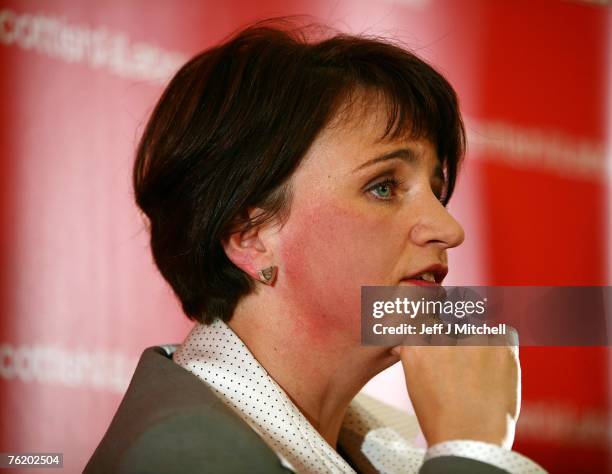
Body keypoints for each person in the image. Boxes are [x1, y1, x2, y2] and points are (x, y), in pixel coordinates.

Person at [85, 20, 545, 473]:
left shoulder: (375, 450)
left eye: (436, 190)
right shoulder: (184, 457)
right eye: (384, 186)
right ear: (250, 236)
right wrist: (470, 451)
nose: (448, 228)